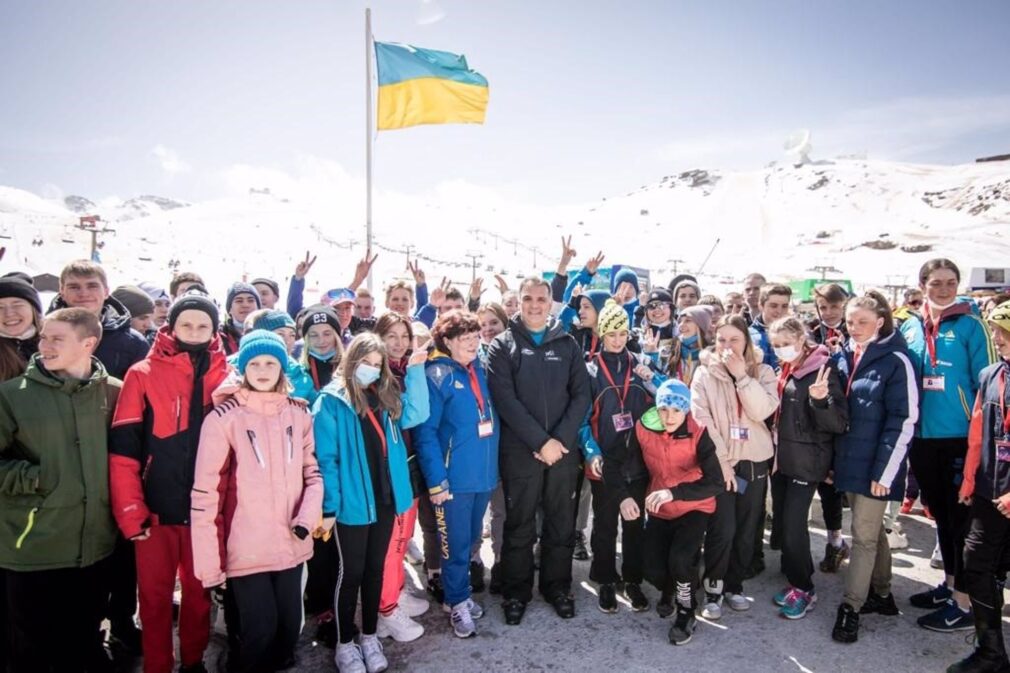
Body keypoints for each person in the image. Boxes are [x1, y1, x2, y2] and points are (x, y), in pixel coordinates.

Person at [109, 290, 230, 673]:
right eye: (186, 324)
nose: (193, 332)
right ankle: (157, 665)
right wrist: (131, 510)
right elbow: (124, 450)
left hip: (205, 510)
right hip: (155, 510)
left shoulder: (227, 375)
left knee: (198, 596)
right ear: (171, 326)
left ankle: (193, 661)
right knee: (155, 598)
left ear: (213, 330)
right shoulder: (142, 374)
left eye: (202, 325)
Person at [190, 330, 323, 673]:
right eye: (254, 363)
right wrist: (210, 562)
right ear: (242, 367)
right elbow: (206, 493)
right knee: (257, 631)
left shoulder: (298, 413)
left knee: (289, 627)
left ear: (282, 368)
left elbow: (314, 475)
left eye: (270, 363)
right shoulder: (224, 418)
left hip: (292, 544)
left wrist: (306, 519)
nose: (262, 370)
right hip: (246, 548)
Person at [0, 308, 121, 673]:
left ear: (88, 343)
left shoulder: (115, 392)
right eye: (44, 337)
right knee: (33, 650)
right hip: (33, 545)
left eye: (57, 338)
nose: (45, 345)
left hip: (94, 547)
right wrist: (33, 477)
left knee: (83, 641)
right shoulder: (12, 395)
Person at [313, 333, 429, 673]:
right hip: (352, 505)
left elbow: (417, 413)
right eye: (366, 363)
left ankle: (369, 636)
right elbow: (327, 459)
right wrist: (330, 506)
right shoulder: (331, 401)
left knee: (374, 572)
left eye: (378, 366)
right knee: (350, 574)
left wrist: (418, 370)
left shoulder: (386, 396)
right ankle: (344, 643)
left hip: (385, 499)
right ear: (352, 361)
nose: (372, 370)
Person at [52, 260, 148, 653]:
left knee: (124, 550)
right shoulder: (50, 335)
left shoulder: (131, 343)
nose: (83, 292)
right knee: (76, 556)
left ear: (106, 290)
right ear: (61, 291)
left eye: (91, 285)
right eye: (73, 286)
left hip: (118, 461)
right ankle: (85, 633)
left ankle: (124, 622)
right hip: (66, 465)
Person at [487, 277, 591, 625]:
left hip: (562, 452)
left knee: (561, 524)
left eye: (541, 299)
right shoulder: (502, 346)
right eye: (528, 298)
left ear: (551, 302)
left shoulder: (567, 343)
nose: (534, 305)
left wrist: (558, 441)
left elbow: (581, 396)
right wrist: (540, 442)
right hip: (522, 452)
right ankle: (516, 592)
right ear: (518, 301)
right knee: (519, 526)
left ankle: (557, 586)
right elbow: (506, 401)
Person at [901, 259, 995, 633]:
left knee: (960, 521)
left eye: (950, 282)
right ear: (922, 284)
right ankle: (951, 585)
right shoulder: (910, 325)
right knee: (939, 513)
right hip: (922, 437)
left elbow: (988, 383)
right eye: (936, 282)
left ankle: (965, 603)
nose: (944, 289)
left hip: (960, 437)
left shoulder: (971, 324)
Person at [830, 291, 918, 644]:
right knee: (872, 531)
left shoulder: (897, 360)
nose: (854, 328)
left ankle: (851, 607)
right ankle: (881, 593)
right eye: (851, 321)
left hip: (877, 466)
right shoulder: (846, 355)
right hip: (851, 461)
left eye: (862, 321)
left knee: (863, 536)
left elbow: (905, 419)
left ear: (881, 321)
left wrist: (885, 473)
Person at [416, 311, 500, 638]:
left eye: (475, 338)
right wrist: (437, 480)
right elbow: (426, 433)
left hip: (482, 473)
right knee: (454, 544)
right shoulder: (436, 375)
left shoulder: (479, 368)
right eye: (464, 339)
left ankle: (458, 595)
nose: (472, 344)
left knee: (472, 540)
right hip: (453, 480)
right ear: (447, 341)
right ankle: (457, 601)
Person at [691, 314, 778, 620]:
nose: (727, 346)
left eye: (735, 340)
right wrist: (723, 462)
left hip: (753, 461)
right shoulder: (704, 374)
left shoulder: (764, 371)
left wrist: (742, 376)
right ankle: (713, 588)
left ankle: (734, 585)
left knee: (745, 529)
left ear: (747, 342)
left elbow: (763, 410)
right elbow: (702, 419)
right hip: (720, 463)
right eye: (722, 340)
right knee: (721, 529)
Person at [578, 300, 657, 614]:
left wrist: (651, 378)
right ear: (601, 331)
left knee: (636, 522)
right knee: (605, 523)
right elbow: (581, 420)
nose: (618, 339)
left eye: (623, 332)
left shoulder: (640, 362)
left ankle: (633, 579)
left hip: (638, 458)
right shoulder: (590, 368)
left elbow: (672, 399)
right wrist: (591, 452)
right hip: (605, 459)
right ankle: (606, 580)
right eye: (611, 333)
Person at [767, 317, 848, 619]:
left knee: (793, 526)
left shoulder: (821, 369)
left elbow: (838, 422)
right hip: (784, 458)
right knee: (786, 525)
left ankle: (805, 589)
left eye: (785, 344)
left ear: (801, 339)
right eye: (776, 345)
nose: (781, 350)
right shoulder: (788, 369)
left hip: (808, 462)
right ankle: (794, 581)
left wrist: (821, 401)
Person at [638, 379, 723, 645]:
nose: (669, 416)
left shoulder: (698, 433)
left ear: (685, 410)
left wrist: (674, 492)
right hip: (660, 508)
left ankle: (686, 612)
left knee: (681, 560)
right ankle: (669, 589)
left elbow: (715, 482)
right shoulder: (644, 428)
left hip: (693, 507)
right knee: (651, 568)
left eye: (676, 410)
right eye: (664, 409)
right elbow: (628, 463)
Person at [951, 300, 1010, 672]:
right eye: (995, 329)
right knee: (979, 565)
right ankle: (991, 653)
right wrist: (970, 480)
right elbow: (978, 432)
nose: (996, 337)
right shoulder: (991, 374)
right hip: (990, 490)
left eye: (1003, 330)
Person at [373, 313, 430, 643]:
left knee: (404, 534)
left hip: (409, 464)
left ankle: (394, 593)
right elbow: (413, 414)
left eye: (404, 336)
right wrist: (418, 369)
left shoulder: (401, 369)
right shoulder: (379, 376)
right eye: (390, 335)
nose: (398, 343)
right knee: (392, 544)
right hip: (389, 470)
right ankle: (385, 609)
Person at [808, 283, 852, 573]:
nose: (829, 312)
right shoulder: (810, 332)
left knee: (834, 485)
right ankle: (829, 541)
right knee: (820, 481)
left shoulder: (856, 329)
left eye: (835, 306)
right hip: (816, 414)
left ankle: (837, 541)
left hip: (845, 415)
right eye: (824, 307)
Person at [0, 276, 42, 380]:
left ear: (33, 309)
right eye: (0, 307)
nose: (9, 314)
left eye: (17, 305)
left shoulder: (57, 340)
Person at [748, 283, 792, 369]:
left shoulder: (796, 334)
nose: (779, 311)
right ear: (761, 306)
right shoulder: (747, 335)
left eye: (784, 306)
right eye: (773, 306)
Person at [220, 282, 262, 355]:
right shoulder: (219, 337)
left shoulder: (270, 334)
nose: (245, 305)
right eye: (239, 301)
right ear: (230, 309)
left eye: (251, 300)